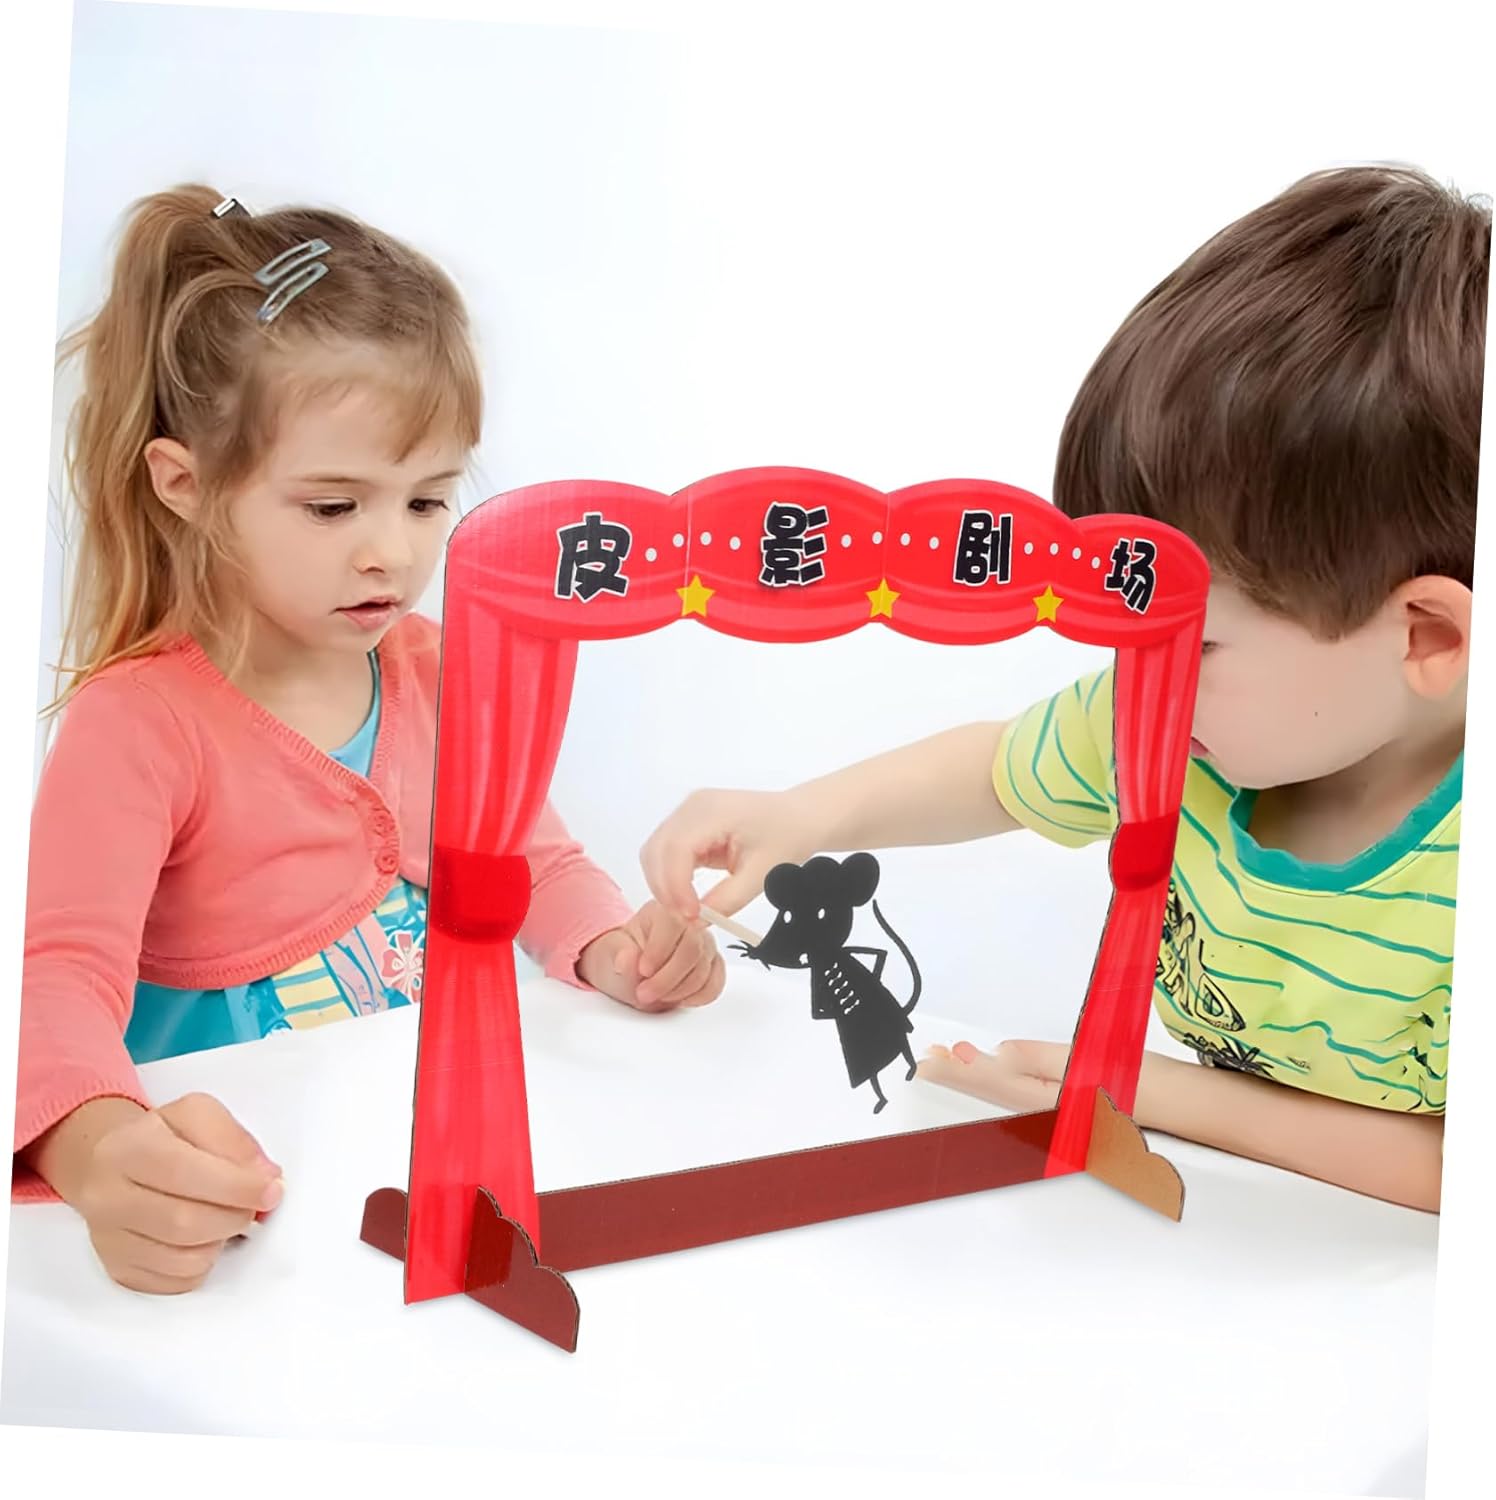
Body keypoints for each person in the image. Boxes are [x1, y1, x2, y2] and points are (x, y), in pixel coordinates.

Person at [641, 165, 1489, 1216]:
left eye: (1187, 640)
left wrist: (1136, 1089)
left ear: (1427, 635)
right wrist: (804, 816)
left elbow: (1453, 1170)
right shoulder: (1182, 724)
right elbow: (998, 770)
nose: (1131, 675)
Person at [13, 185, 724, 1293]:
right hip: (252, 1212)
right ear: (186, 485)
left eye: (427, 502)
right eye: (334, 507)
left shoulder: (438, 671)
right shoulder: (139, 725)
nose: (390, 552)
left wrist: (614, 949)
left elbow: (533, 865)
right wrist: (96, 1148)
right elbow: (56, 978)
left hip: (420, 1169)